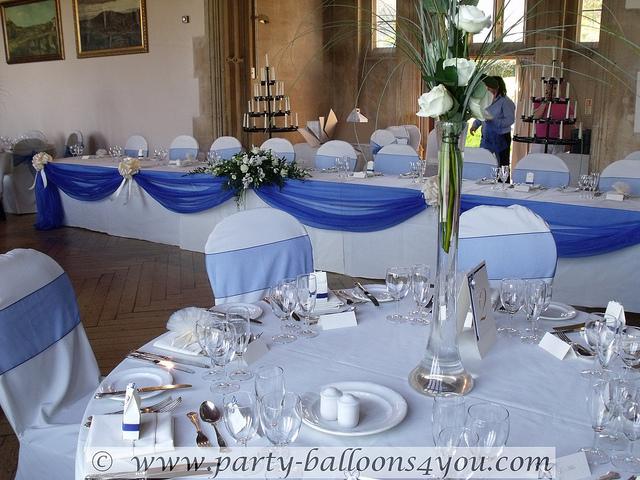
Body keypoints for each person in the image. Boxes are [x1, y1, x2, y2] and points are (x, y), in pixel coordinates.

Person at [470, 76, 515, 169]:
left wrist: (494, 121)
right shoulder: (486, 99)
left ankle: (502, 179)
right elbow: (481, 114)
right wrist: (475, 125)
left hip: (501, 137)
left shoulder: (506, 101)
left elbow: (510, 119)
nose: (487, 89)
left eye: (489, 86)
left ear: (497, 87)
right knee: (484, 162)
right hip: (486, 137)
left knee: (502, 165)